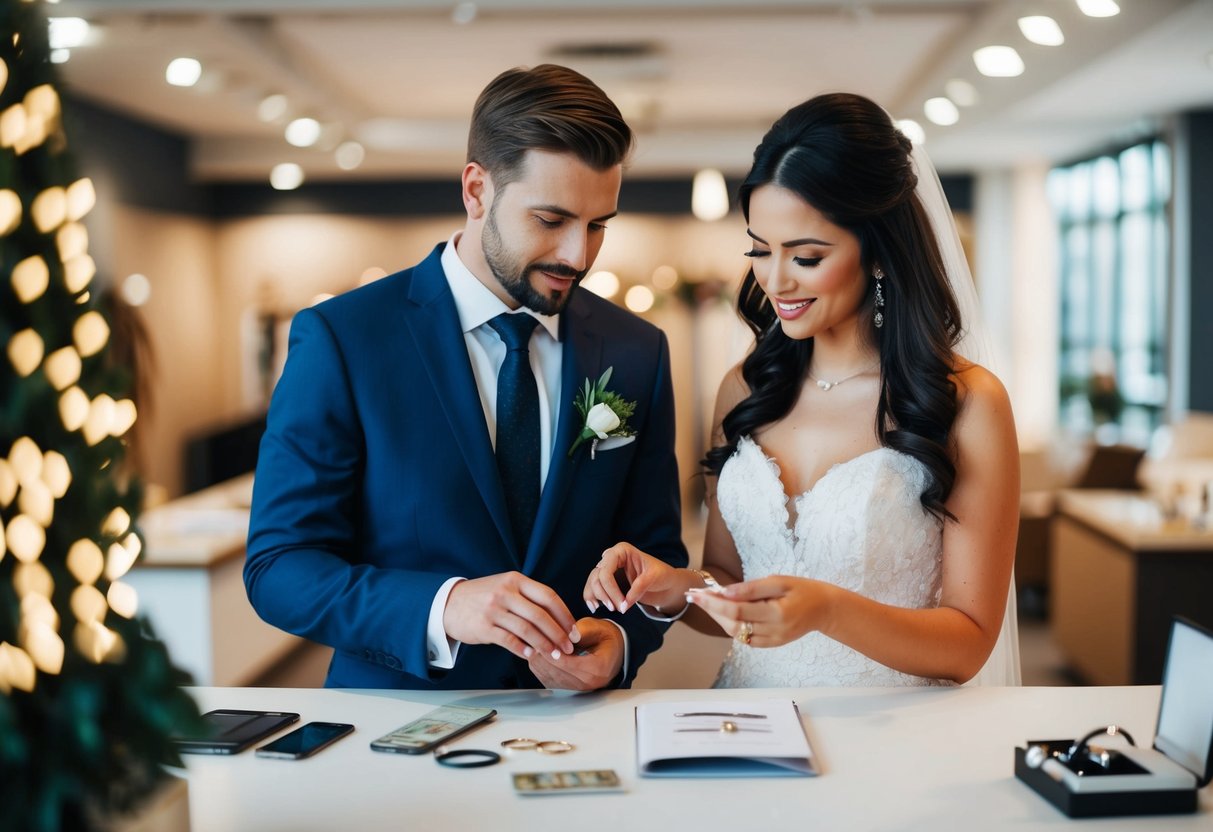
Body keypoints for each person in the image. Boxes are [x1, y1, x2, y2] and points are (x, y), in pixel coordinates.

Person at [245, 64, 688, 691]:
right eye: (551, 219)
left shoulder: (637, 350)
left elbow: (657, 555)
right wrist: (444, 607)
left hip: (581, 737)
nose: (578, 256)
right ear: (477, 190)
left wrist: (618, 643)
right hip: (397, 734)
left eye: (597, 226)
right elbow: (279, 568)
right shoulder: (344, 339)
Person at [584, 92, 1021, 687]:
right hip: (749, 720)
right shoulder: (744, 389)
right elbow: (730, 589)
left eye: (807, 256)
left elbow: (969, 643)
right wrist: (676, 588)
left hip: (892, 734)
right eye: (761, 250)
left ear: (879, 254)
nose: (776, 279)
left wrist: (829, 609)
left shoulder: (967, 403)